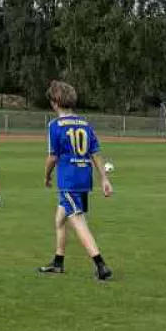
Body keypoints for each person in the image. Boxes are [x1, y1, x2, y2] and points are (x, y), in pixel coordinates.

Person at [38, 80, 114, 281]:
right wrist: (104, 179)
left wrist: (46, 176)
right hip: (84, 178)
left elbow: (53, 157)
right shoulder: (85, 124)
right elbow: (95, 153)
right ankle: (58, 262)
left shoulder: (54, 125)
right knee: (60, 219)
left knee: (77, 220)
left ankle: (100, 264)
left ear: (55, 102)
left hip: (68, 180)